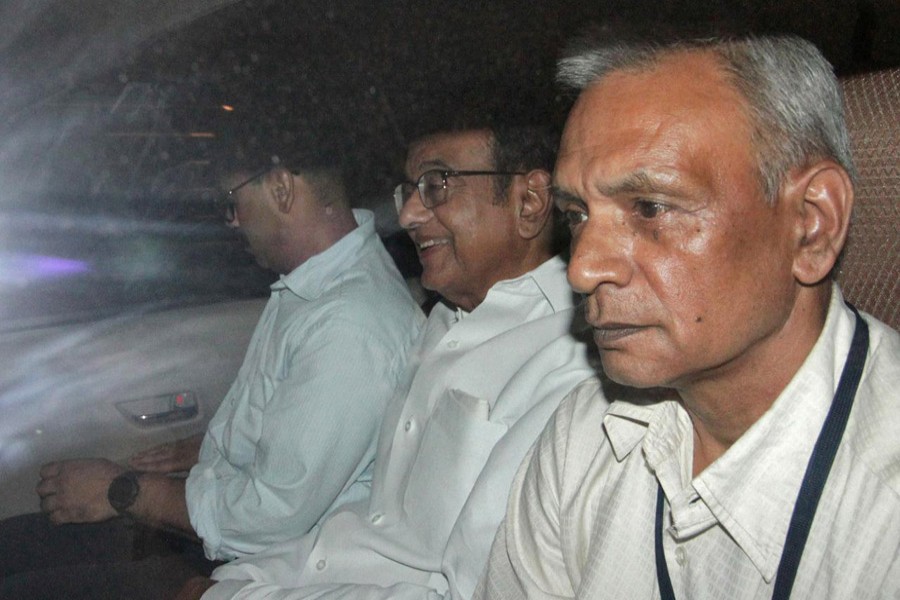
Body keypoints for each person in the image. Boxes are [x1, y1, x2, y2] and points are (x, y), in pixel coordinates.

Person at [476, 34, 900, 599]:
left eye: (651, 208)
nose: (581, 270)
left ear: (811, 223)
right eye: (577, 214)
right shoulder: (582, 437)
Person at [175, 121, 599, 600]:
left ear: (529, 202)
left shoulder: (571, 370)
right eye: (409, 191)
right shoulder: (442, 324)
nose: (411, 214)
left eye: (437, 185)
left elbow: (470, 589)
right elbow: (374, 529)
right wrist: (243, 582)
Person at [0, 131, 425, 599]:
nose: (232, 221)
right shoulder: (317, 288)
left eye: (233, 202)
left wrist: (124, 490)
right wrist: (208, 447)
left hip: (275, 569)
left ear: (281, 189)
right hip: (236, 539)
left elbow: (271, 518)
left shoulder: (350, 321)